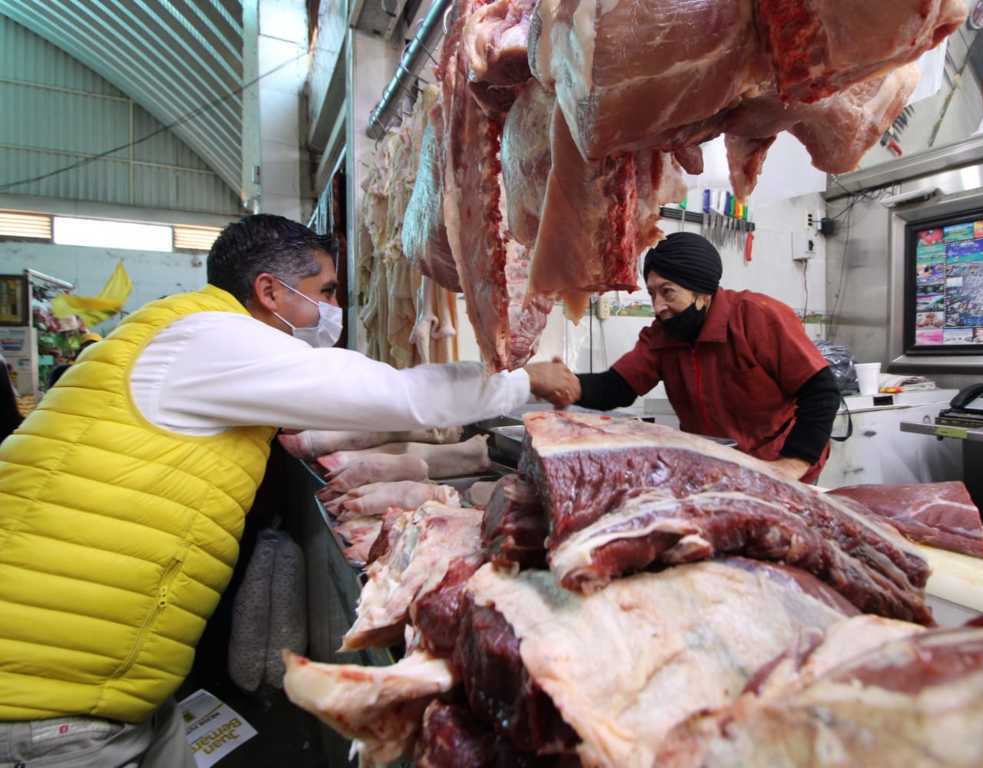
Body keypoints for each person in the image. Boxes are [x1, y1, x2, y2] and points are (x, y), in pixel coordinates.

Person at [0, 214, 576, 767]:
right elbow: (398, 397)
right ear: (270, 291)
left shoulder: (186, 332)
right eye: (323, 291)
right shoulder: (211, 338)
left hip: (103, 680)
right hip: (49, 696)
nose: (331, 309)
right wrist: (524, 382)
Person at [574, 232, 839, 483]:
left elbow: (821, 391)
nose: (658, 307)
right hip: (716, 471)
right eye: (652, 293)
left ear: (702, 293)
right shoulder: (662, 335)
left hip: (776, 465)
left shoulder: (756, 316)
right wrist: (562, 384)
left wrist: (793, 463)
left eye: (667, 292)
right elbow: (617, 388)